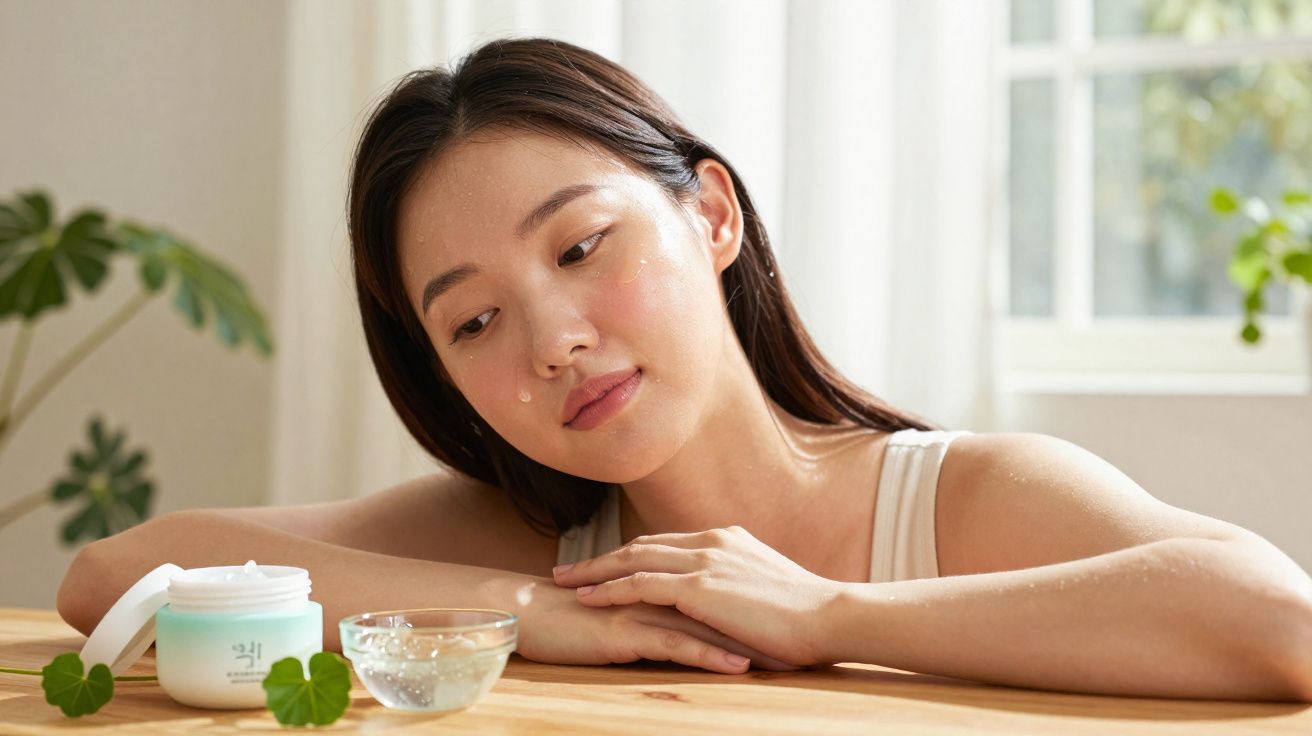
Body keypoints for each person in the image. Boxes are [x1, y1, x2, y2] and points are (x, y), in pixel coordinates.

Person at [59, 37, 1311, 701]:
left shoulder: (950, 503)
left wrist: (830, 620)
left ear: (711, 216)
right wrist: (536, 613)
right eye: (474, 324)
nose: (551, 340)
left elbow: (1280, 624)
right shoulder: (533, 544)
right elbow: (118, 572)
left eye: (582, 245)